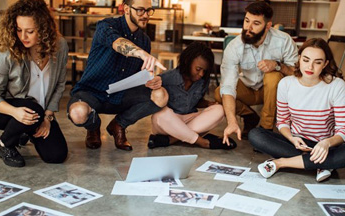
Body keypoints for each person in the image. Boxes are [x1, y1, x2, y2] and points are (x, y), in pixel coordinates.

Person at [67, 0, 168, 151]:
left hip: (122, 94)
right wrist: (140, 53)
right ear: (126, 9)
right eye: (140, 10)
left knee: (161, 95)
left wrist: (152, 80)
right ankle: (93, 126)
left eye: (149, 11)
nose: (146, 15)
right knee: (78, 113)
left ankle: (118, 125)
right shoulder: (106, 26)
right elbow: (118, 43)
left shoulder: (144, 40)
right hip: (93, 92)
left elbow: (141, 74)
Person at [249, 38, 345, 182]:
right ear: (299, 59)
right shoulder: (286, 84)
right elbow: (282, 122)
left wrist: (326, 143)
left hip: (326, 145)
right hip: (297, 144)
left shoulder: (336, 86)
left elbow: (343, 130)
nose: (310, 67)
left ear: (325, 64)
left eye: (317, 62)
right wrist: (292, 139)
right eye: (306, 60)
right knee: (255, 135)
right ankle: (322, 164)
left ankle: (281, 162)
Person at [0, 0, 68, 167]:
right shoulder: (7, 52)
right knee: (33, 108)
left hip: (38, 113)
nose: (22, 37)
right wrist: (14, 112)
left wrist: (47, 118)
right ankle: (5, 144)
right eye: (19, 30)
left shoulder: (60, 46)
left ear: (43, 29)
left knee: (56, 155)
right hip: (6, 110)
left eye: (30, 31)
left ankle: (25, 132)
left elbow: (60, 84)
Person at [215, 1, 298, 143]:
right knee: (219, 92)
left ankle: (266, 130)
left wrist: (278, 65)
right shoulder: (234, 46)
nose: (248, 27)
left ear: (268, 26)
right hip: (248, 88)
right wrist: (232, 122)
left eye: (256, 23)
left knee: (273, 76)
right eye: (247, 21)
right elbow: (228, 86)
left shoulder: (284, 41)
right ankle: (249, 116)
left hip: (273, 92)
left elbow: (297, 74)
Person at [148, 42, 236, 150]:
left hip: (189, 118)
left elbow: (195, 101)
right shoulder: (166, 78)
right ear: (187, 62)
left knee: (220, 110)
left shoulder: (202, 81)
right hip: (168, 122)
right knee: (160, 114)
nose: (201, 74)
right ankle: (203, 142)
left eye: (204, 71)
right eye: (198, 69)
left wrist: (208, 104)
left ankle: (171, 139)